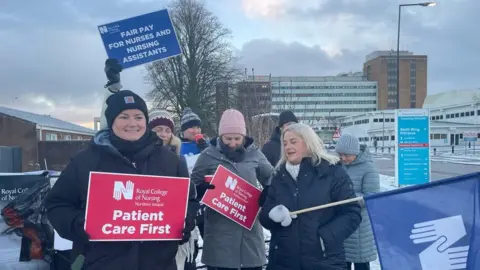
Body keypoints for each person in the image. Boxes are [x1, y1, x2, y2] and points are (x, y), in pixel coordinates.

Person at [45, 90, 198, 270]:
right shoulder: (85, 161)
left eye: (138, 117)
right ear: (112, 121)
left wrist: (185, 221)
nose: (132, 123)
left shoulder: (171, 161)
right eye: (124, 117)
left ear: (145, 122)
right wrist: (80, 224)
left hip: (158, 262)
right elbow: (57, 204)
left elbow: (188, 201)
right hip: (101, 262)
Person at [259, 123, 362, 270]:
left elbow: (352, 213)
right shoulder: (279, 176)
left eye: (293, 142)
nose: (288, 147)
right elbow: (265, 216)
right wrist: (272, 215)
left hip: (324, 262)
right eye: (285, 143)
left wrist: (325, 237)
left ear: (308, 142)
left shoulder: (332, 174)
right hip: (283, 262)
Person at [191, 109, 273, 270]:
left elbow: (272, 179)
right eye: (228, 138)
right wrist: (199, 190)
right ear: (220, 136)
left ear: (244, 137)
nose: (233, 143)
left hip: (249, 234)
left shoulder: (255, 154)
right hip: (219, 236)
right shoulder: (208, 155)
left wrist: (268, 192)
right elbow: (190, 187)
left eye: (237, 138)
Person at [148, 109, 200, 270]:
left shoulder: (178, 159)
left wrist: (188, 219)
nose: (163, 134)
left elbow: (189, 194)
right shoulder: (139, 159)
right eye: (158, 130)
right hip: (149, 227)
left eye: (167, 130)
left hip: (177, 227)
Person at [335, 134, 380, 270]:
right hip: (341, 223)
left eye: (346, 155)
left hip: (360, 226)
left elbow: (372, 197)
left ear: (355, 152)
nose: (343, 158)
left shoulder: (369, 169)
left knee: (361, 263)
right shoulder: (339, 166)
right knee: (342, 262)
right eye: (340, 154)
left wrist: (347, 198)